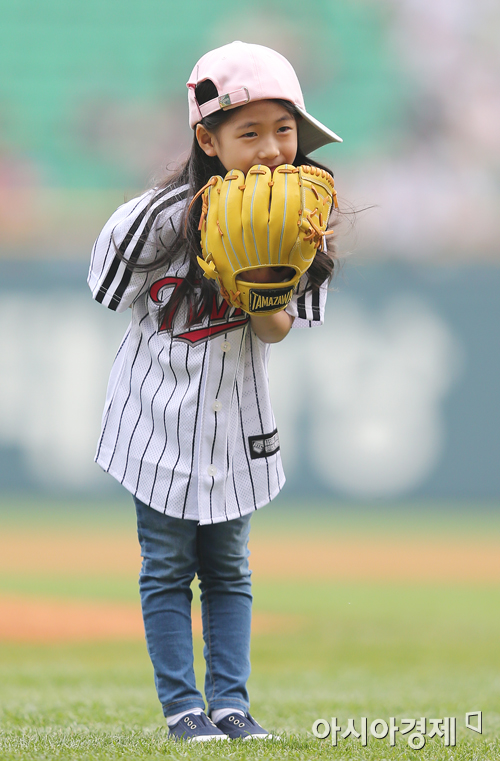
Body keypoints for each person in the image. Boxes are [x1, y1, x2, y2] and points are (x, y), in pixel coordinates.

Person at [88, 40, 342, 742]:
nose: (271, 148)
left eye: (284, 129)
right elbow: (109, 290)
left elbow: (278, 332)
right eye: (249, 131)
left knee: (229, 567)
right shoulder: (157, 218)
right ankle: (182, 708)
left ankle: (230, 702)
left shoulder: (302, 213)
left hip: (238, 428)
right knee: (167, 566)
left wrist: (265, 287)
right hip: (155, 423)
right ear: (208, 136)